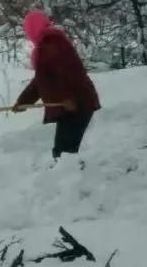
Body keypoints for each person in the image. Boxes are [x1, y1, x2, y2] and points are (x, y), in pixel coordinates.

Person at [13, 9, 101, 160]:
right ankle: (71, 178)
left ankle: (71, 180)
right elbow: (41, 80)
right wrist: (23, 102)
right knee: (64, 151)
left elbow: (67, 72)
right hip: (73, 104)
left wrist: (68, 98)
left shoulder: (51, 43)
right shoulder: (47, 43)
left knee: (64, 152)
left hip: (75, 104)